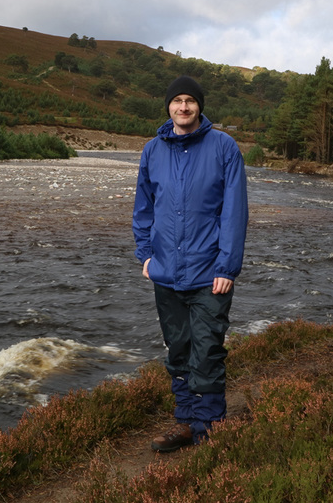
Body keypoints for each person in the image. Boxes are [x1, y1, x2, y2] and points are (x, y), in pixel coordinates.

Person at [132, 75, 248, 452]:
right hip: (165, 272)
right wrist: (146, 254)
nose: (184, 107)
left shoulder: (224, 147)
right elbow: (143, 208)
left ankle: (210, 426)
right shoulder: (152, 150)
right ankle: (185, 422)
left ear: (200, 106)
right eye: (177, 101)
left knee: (208, 349)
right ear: (168, 106)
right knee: (178, 349)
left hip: (209, 273)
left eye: (190, 101)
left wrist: (227, 267)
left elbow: (234, 212)